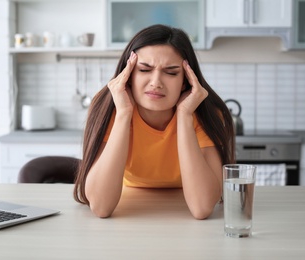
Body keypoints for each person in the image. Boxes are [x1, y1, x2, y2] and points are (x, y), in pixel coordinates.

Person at [73, 24, 235, 219]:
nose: (156, 82)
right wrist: (124, 113)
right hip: (130, 206)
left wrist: (184, 115)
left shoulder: (205, 113)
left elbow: (202, 208)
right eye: (144, 70)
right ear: (129, 74)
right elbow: (101, 207)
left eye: (171, 72)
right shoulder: (109, 108)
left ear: (186, 80)